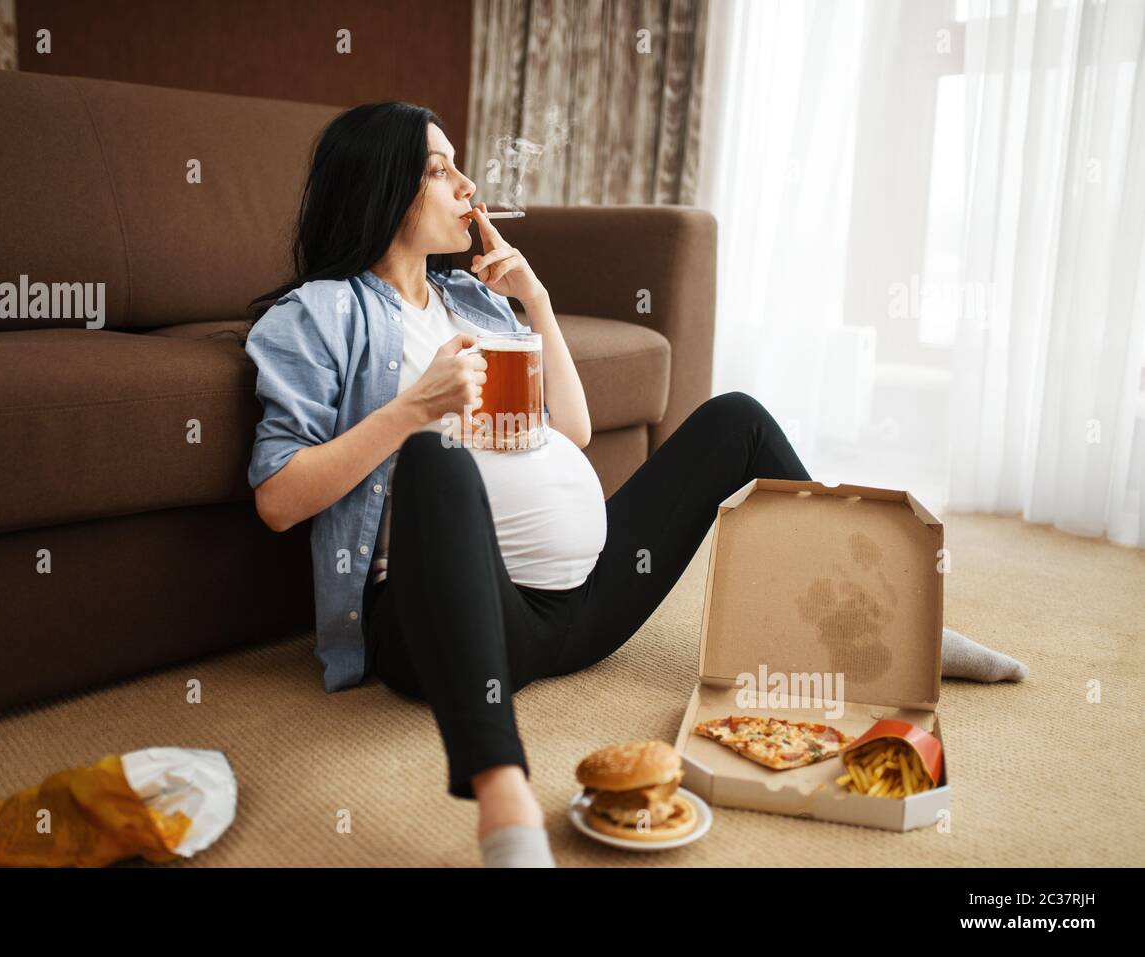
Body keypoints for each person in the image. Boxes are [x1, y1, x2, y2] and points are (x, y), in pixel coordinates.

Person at [243, 102, 1027, 868]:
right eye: (441, 171)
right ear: (384, 186)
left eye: (460, 167)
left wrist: (536, 302)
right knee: (433, 458)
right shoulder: (321, 314)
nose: (469, 187)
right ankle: (505, 806)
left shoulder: (472, 297)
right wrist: (415, 409)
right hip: (449, 632)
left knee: (737, 419)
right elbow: (279, 497)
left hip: (584, 608)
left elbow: (574, 429)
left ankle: (899, 632)